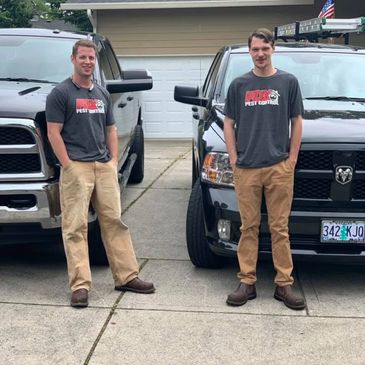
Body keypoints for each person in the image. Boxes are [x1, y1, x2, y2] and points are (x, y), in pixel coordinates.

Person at [46, 39, 155, 308]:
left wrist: (112, 161)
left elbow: (111, 130)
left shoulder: (101, 94)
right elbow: (53, 132)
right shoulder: (61, 93)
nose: (87, 62)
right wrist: (68, 166)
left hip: (103, 166)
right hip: (77, 168)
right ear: (73, 59)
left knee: (114, 222)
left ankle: (127, 276)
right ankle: (80, 286)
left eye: (91, 58)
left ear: (95, 61)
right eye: (82, 57)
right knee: (75, 227)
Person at [223, 29, 305, 310]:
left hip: (279, 167)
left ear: (273, 49)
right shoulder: (238, 85)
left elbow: (297, 121)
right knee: (249, 227)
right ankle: (247, 282)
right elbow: (228, 123)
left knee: (280, 228)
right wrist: (233, 159)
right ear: (250, 51)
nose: (260, 54)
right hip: (246, 168)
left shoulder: (288, 82)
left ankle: (284, 284)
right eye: (255, 49)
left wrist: (291, 159)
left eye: (265, 48)